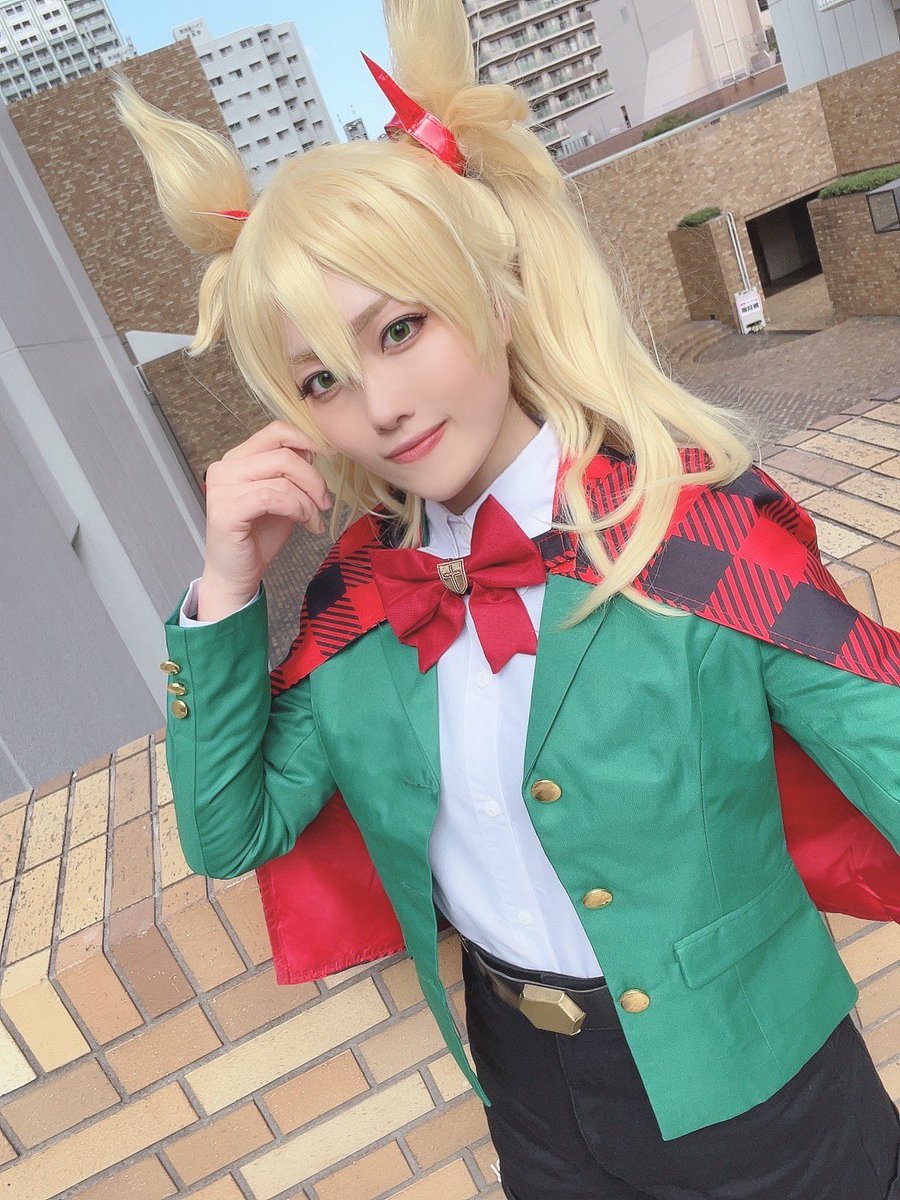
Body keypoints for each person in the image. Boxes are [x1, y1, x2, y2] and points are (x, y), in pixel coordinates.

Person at [115, 1, 900, 1196]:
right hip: (530, 1103)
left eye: (401, 328)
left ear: (496, 296)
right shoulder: (358, 605)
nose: (380, 406)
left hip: (759, 1090)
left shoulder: (689, 537)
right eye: (324, 379)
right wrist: (225, 589)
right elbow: (233, 832)